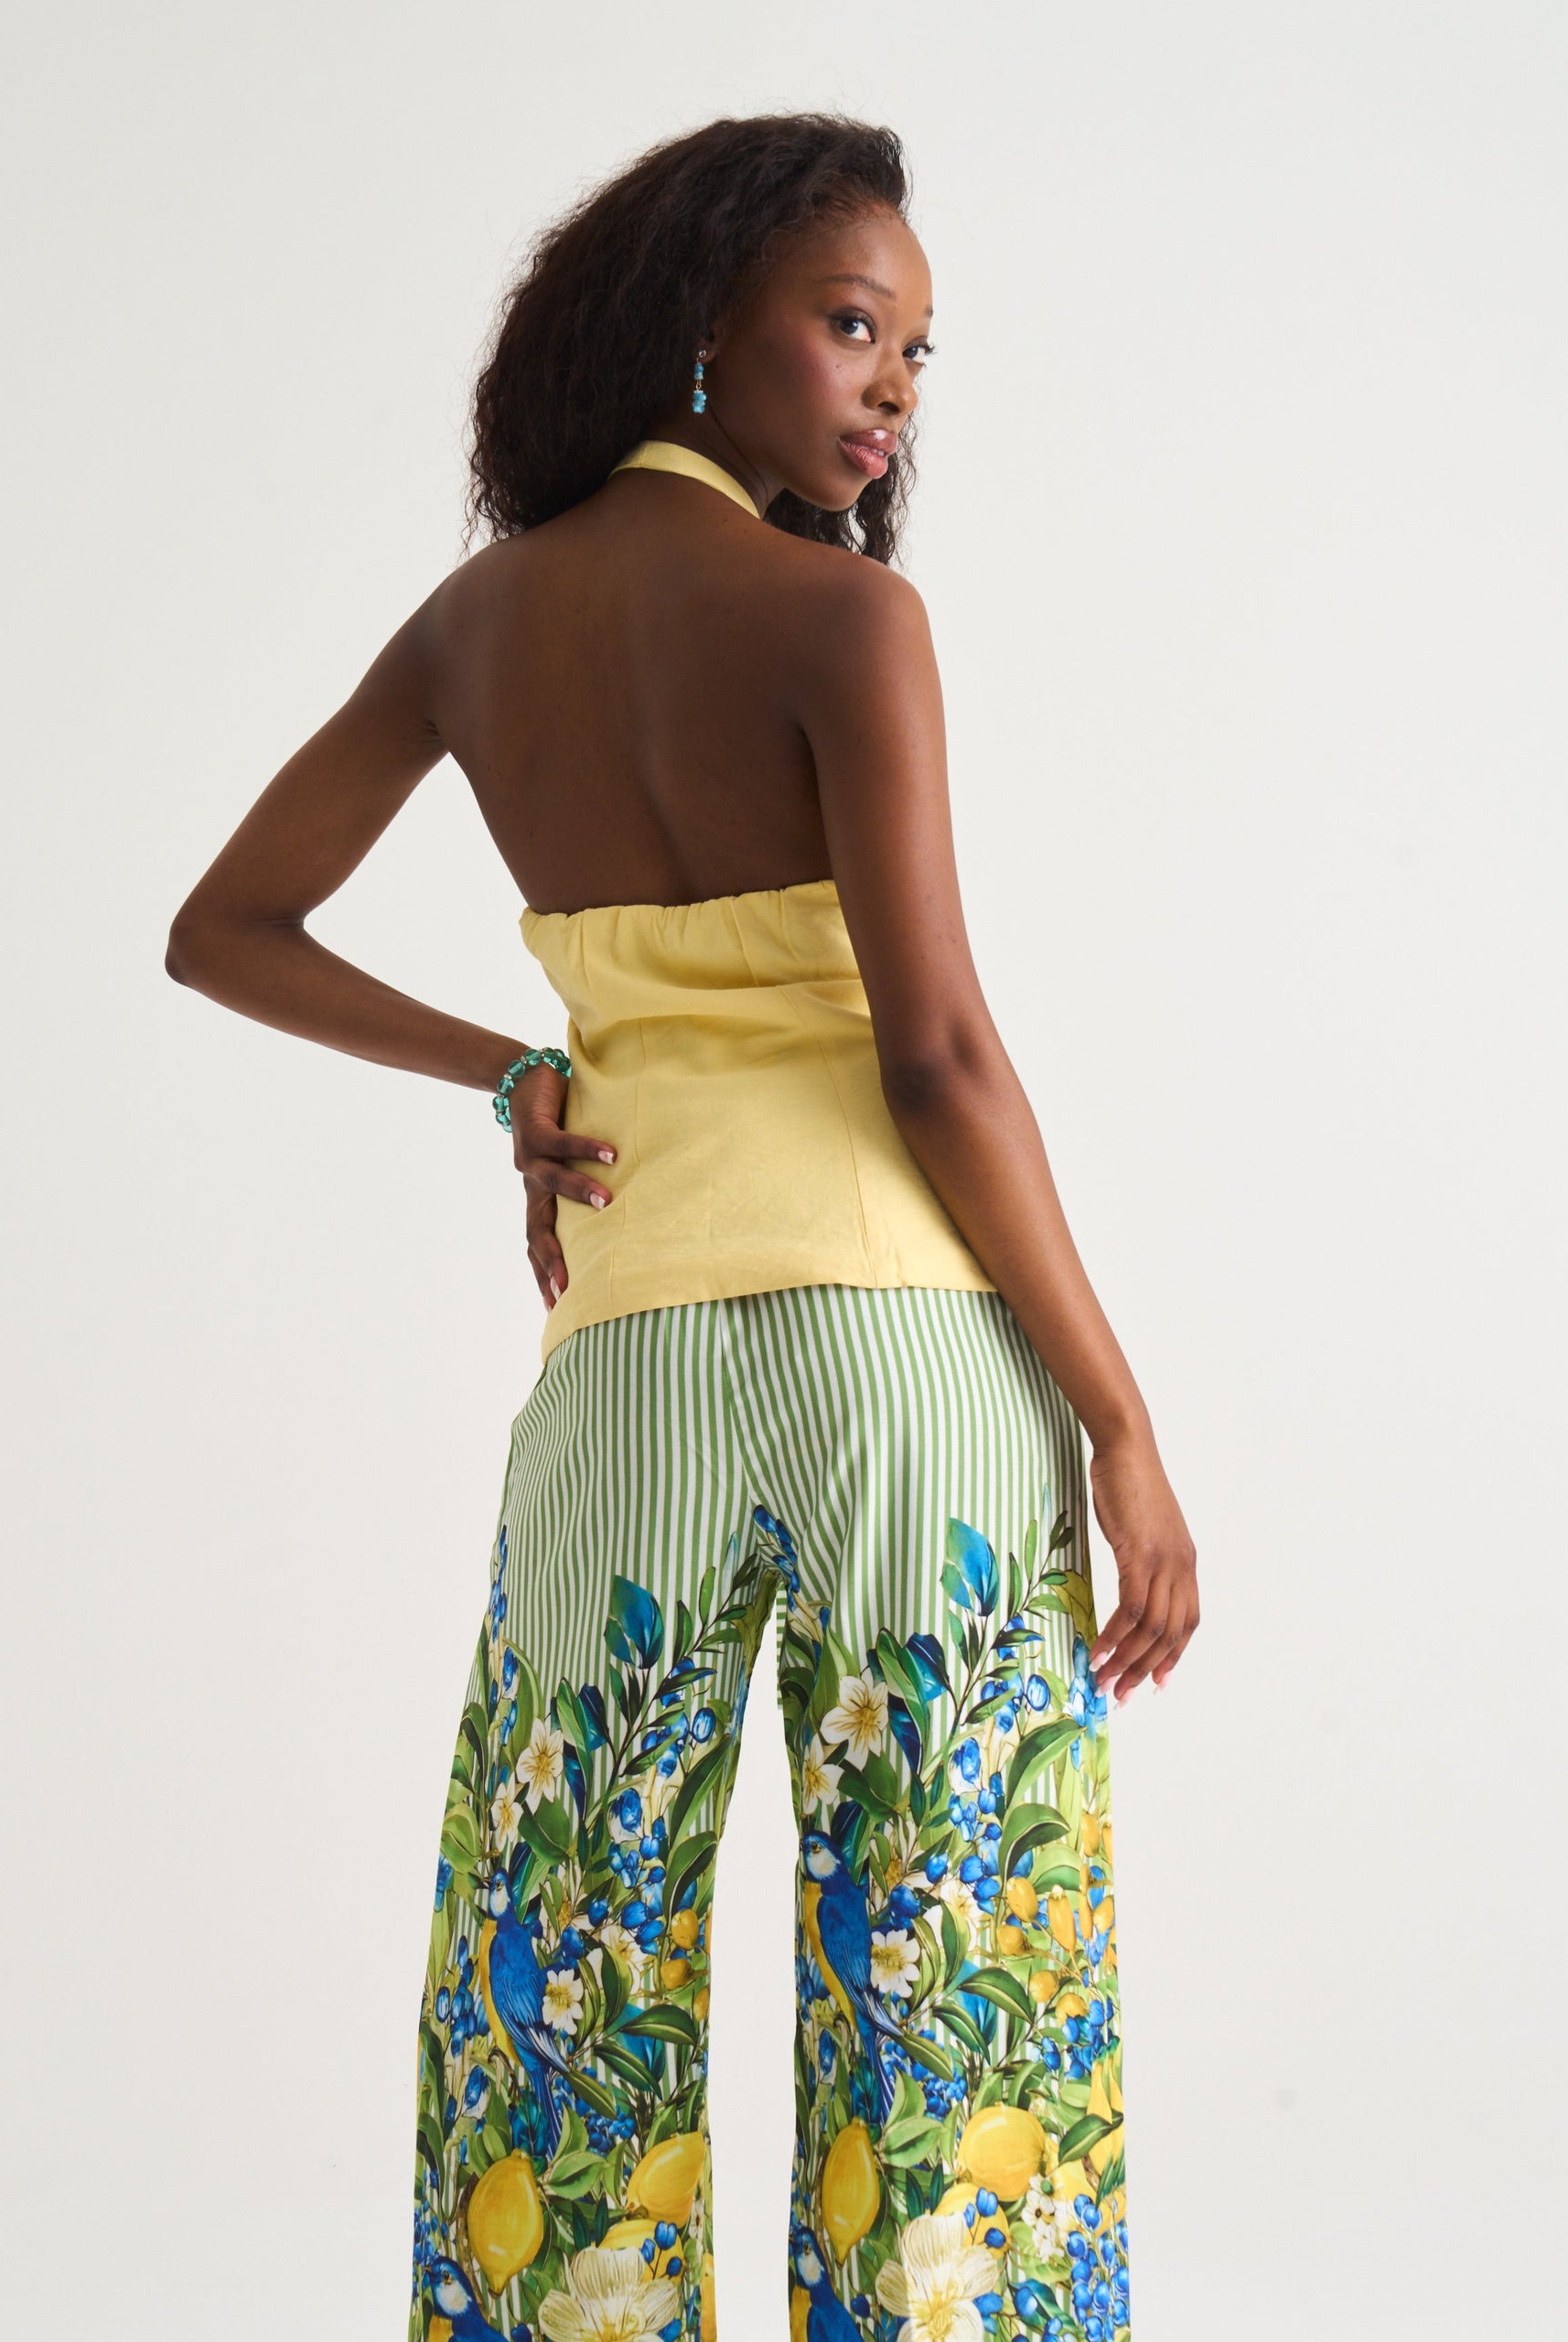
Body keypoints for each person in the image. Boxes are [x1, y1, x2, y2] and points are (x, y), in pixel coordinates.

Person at [166, 110, 1196, 2342]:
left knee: (562, 1956)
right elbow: (938, 1057)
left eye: (914, 349)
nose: (894, 386)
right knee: (951, 1966)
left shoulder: (476, 624)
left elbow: (221, 926)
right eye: (853, 324)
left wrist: (517, 1071)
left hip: (624, 1359)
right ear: (701, 321)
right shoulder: (846, 618)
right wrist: (1118, 1417)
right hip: (903, 1362)